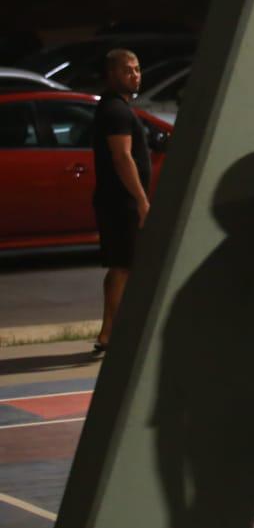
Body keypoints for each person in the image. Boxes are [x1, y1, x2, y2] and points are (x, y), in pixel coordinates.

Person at [90, 48, 150, 355]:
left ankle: (111, 332)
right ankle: (111, 334)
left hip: (118, 201)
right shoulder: (116, 111)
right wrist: (141, 199)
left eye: (137, 69)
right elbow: (122, 156)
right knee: (124, 267)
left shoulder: (116, 108)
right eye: (127, 70)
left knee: (122, 266)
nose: (135, 75)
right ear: (111, 74)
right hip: (121, 202)